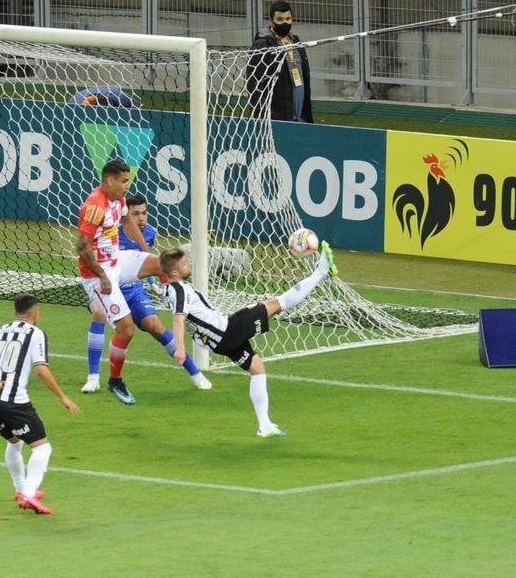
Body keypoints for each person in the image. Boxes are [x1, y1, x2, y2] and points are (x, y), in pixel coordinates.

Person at [159, 241, 338, 437]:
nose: (190, 264)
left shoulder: (170, 290)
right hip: (227, 331)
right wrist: (181, 348)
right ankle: (321, 271)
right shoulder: (179, 290)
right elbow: (178, 319)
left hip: (220, 342)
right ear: (174, 273)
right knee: (277, 303)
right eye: (185, 263)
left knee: (257, 367)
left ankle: (265, 425)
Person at [83, 194, 213, 392]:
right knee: (98, 313)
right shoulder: (112, 234)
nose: (141, 218)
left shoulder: (151, 233)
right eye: (136, 214)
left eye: (144, 213)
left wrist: (159, 283)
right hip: (108, 286)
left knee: (156, 326)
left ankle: (195, 373)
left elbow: (152, 264)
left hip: (134, 292)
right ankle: (93, 377)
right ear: (126, 215)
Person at [0, 295, 80, 515]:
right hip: (14, 402)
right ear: (36, 312)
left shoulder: (0, 331)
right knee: (42, 447)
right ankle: (28, 493)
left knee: (15, 442)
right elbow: (41, 370)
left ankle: (21, 489)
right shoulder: (36, 334)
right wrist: (63, 397)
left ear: (15, 312)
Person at [76, 157, 148, 406]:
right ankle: (114, 380)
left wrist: (145, 249)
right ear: (109, 181)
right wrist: (103, 276)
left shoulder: (118, 200)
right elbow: (81, 247)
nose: (127, 185)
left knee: (162, 262)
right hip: (97, 275)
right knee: (127, 329)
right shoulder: (95, 206)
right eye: (123, 181)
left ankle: (179, 300)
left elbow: (127, 220)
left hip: (116, 261)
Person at [248, 0, 314, 124]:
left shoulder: (295, 41)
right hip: (276, 117)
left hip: (299, 115)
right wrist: (261, 117)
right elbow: (254, 84)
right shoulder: (262, 45)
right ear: (271, 20)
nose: (285, 22)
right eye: (280, 19)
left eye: (288, 19)